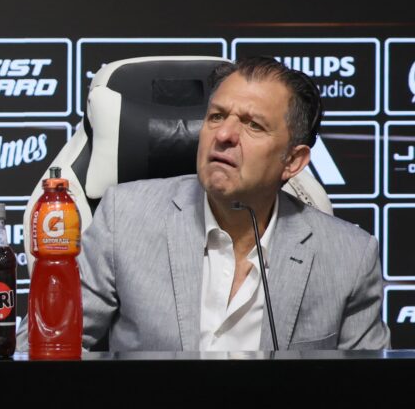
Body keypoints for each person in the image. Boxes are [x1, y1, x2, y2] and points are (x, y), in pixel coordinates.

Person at [40, 57, 388, 352]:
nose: (223, 135)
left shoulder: (349, 257)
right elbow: (45, 347)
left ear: (293, 161)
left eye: (253, 125)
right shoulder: (124, 218)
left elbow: (371, 395)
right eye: (217, 116)